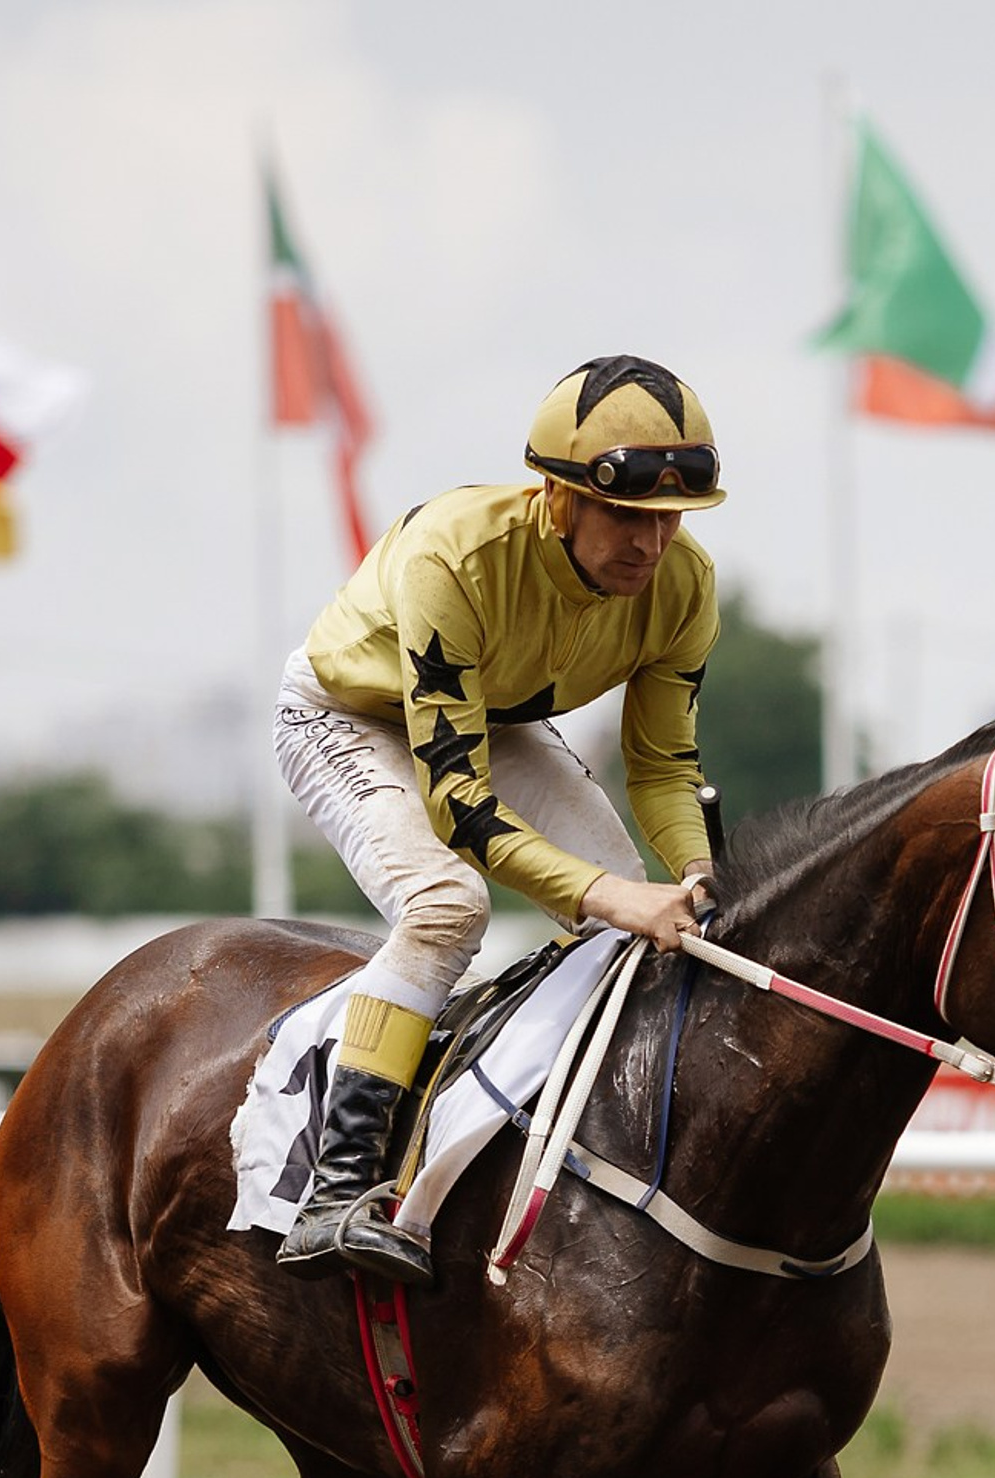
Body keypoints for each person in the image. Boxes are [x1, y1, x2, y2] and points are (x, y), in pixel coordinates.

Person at [268, 353, 727, 1285]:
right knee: (448, 906)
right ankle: (336, 1188)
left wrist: (690, 874)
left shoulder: (686, 586)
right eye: (630, 517)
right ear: (557, 498)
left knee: (650, 930)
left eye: (673, 518)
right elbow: (459, 805)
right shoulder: (456, 555)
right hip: (348, 713)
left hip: (498, 721)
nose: (654, 544)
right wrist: (610, 893)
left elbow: (664, 766)